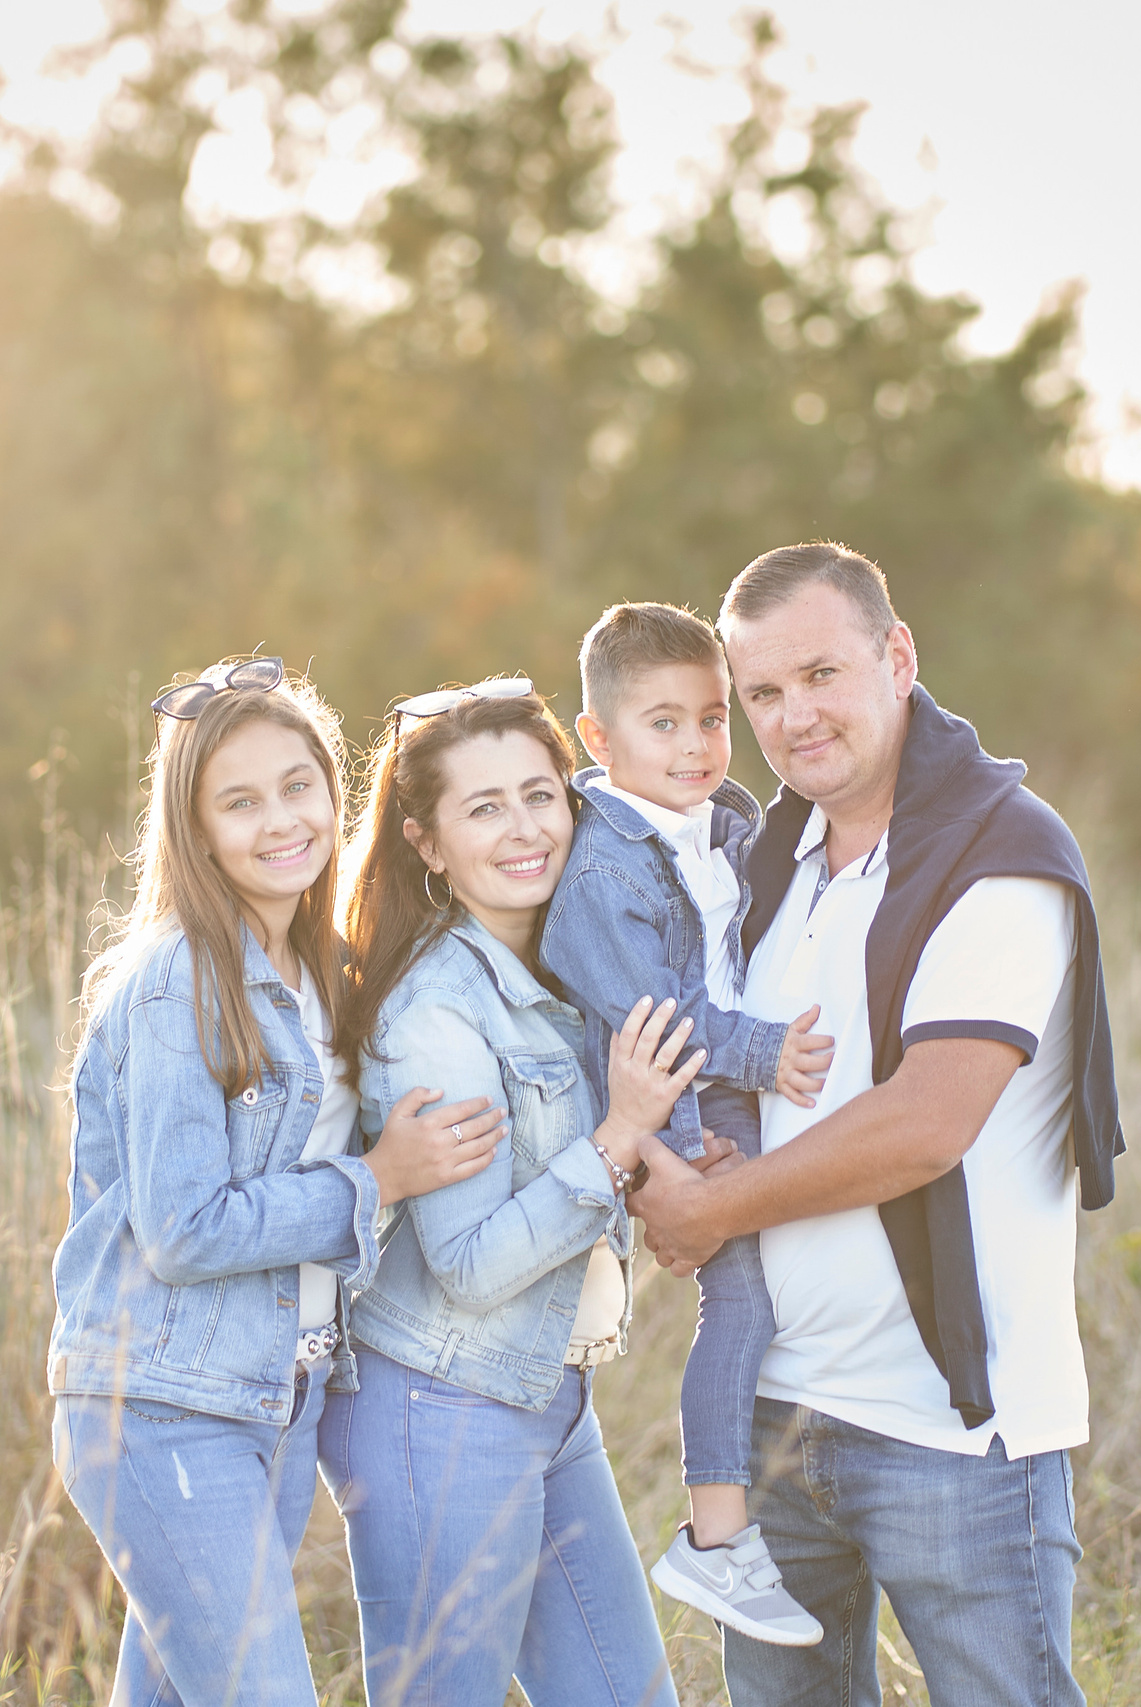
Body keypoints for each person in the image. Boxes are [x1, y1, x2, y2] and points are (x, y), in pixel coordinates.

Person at [631, 546, 1126, 1707]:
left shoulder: (1001, 855)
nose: (794, 717)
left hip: (950, 1435)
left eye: (820, 674)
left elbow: (924, 1123)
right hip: (777, 1416)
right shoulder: (763, 865)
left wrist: (710, 1209)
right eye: (762, 694)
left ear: (896, 658)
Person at [45, 656, 507, 1707]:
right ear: (196, 829)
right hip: (161, 1408)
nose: (281, 821)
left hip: (276, 1400)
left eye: (299, 785)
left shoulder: (318, 972)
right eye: (239, 802)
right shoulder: (178, 984)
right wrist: (375, 1180)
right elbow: (183, 1229)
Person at [321, 678, 696, 1707]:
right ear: (426, 844)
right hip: (436, 1408)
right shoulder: (436, 1010)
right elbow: (474, 1262)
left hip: (541, 1394)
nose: (526, 829)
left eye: (541, 795)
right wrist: (620, 1132)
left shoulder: (571, 967)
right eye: (484, 808)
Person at [538, 602, 834, 1645]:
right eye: (662, 724)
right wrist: (763, 1054)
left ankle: (769, 1510)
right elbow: (652, 1016)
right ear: (598, 738)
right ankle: (715, 1537)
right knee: (741, 1301)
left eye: (711, 719)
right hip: (675, 1108)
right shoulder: (604, 868)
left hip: (729, 1100)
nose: (697, 746)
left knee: (782, 1293)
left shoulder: (729, 823)